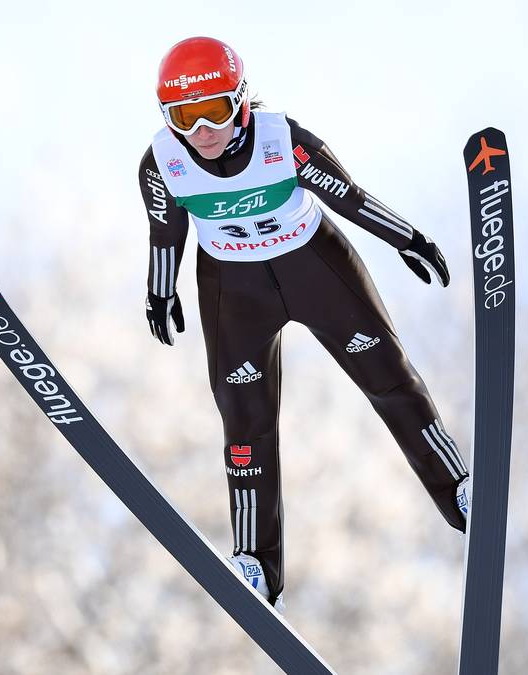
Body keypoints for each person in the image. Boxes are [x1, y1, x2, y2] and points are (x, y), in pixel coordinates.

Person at [138, 36, 470, 609]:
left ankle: (460, 490)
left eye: (213, 111)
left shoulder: (282, 140)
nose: (202, 132)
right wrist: (160, 291)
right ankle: (255, 563)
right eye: (184, 118)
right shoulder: (161, 163)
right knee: (245, 425)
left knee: (389, 378)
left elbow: (350, 197)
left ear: (240, 101)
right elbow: (165, 231)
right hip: (233, 291)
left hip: (314, 268)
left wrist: (409, 239)